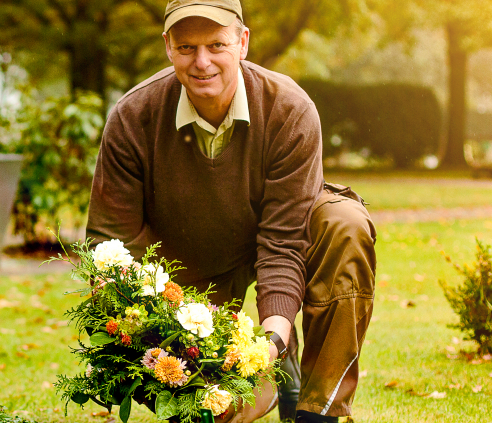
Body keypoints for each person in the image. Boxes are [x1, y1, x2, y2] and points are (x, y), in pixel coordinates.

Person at [84, 1, 376, 422]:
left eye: (216, 44)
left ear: (242, 43)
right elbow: (112, 246)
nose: (202, 62)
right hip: (188, 270)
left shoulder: (289, 109)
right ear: (167, 46)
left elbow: (284, 240)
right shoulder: (133, 117)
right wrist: (160, 339)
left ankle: (318, 409)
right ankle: (274, 380)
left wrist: (271, 338)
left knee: (344, 223)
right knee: (213, 406)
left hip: (276, 239)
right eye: (187, 47)